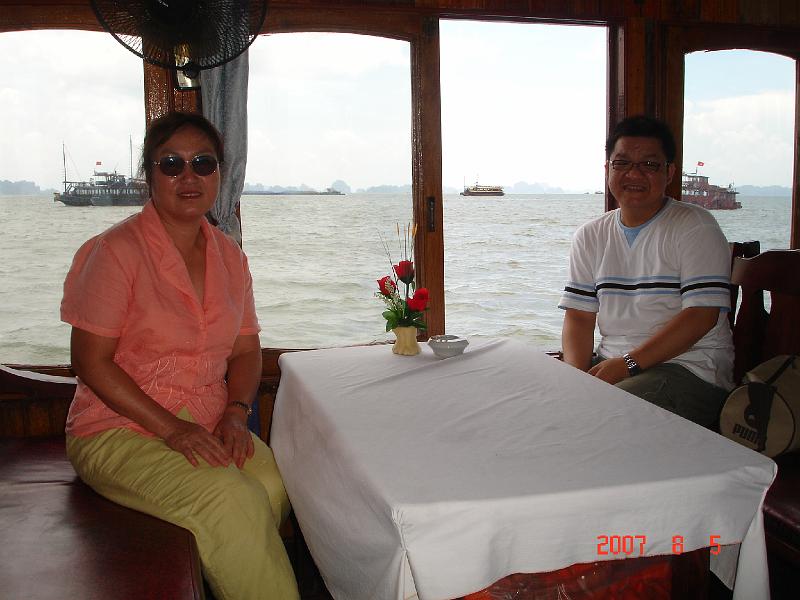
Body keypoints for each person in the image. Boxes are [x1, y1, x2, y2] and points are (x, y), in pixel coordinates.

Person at [61, 112, 299, 599]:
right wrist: (173, 429)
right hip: (116, 428)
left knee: (273, 484)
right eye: (171, 164)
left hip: (208, 418)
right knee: (229, 498)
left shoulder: (230, 258)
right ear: (149, 175)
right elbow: (90, 362)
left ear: (220, 173)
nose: (188, 176)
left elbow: (246, 350)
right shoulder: (115, 252)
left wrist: (235, 413)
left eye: (203, 163)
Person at [559, 115, 734, 429]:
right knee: (540, 401)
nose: (634, 174)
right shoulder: (591, 235)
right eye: (622, 163)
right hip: (613, 365)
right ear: (608, 169)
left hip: (688, 370)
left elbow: (701, 316)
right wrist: (575, 377)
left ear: (669, 173)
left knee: (601, 419)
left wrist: (627, 364)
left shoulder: (695, 226)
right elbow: (579, 317)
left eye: (650, 165)